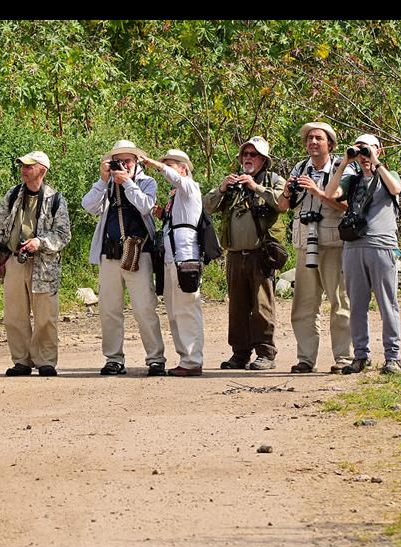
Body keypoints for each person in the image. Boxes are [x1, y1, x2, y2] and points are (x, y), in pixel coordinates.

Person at [83, 140, 166, 376]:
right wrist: (103, 180)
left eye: (127, 161)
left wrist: (128, 182)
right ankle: (114, 359)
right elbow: (88, 205)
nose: (123, 165)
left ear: (137, 162)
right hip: (110, 254)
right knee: (109, 309)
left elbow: (146, 206)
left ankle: (155, 359)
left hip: (139, 252)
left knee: (144, 308)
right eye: (118, 161)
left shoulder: (146, 182)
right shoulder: (107, 185)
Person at [203, 136, 286, 370]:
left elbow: (282, 203)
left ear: (264, 160)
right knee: (237, 308)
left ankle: (266, 353)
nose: (248, 158)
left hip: (261, 254)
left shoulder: (274, 180)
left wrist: (255, 187)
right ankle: (240, 354)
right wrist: (222, 188)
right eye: (245, 154)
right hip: (235, 255)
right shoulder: (232, 184)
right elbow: (207, 206)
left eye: (253, 154)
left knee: (262, 306)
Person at [324, 133, 401, 375]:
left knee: (387, 303)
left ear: (379, 150)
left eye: (367, 149)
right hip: (353, 247)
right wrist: (344, 164)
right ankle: (360, 356)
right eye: (360, 149)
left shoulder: (389, 175)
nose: (363, 154)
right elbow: (330, 194)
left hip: (382, 246)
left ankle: (393, 357)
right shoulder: (353, 180)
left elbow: (396, 189)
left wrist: (376, 163)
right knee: (357, 305)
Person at [0, 151, 71, 377]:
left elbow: (63, 235)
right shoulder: (13, 195)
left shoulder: (55, 199)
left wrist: (39, 242)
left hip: (44, 265)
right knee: (14, 315)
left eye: (29, 166)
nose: (23, 170)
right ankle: (21, 361)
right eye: (23, 166)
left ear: (42, 170)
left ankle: (46, 361)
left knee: (45, 315)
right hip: (15, 260)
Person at [277, 122, 353, 374]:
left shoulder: (342, 168)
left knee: (339, 302)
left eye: (318, 138)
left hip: (333, 244)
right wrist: (287, 192)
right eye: (309, 138)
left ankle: (344, 358)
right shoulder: (299, 168)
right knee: (303, 306)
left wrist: (318, 192)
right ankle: (305, 359)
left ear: (330, 143)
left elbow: (347, 206)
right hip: (304, 243)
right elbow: (283, 207)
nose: (312, 142)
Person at [143, 149, 204, 376]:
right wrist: (161, 213)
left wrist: (154, 164)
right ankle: (185, 358)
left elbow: (176, 179)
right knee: (174, 310)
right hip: (171, 257)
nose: (165, 169)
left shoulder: (189, 187)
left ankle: (192, 360)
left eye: (170, 165)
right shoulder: (177, 195)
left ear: (183, 168)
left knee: (187, 309)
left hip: (185, 258)